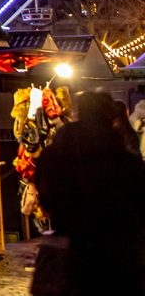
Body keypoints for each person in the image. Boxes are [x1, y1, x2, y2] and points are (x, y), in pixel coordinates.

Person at [34, 91, 145, 294]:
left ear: (79, 113)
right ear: (110, 116)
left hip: (70, 255)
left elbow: (46, 196)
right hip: (119, 258)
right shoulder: (125, 159)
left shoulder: (54, 155)